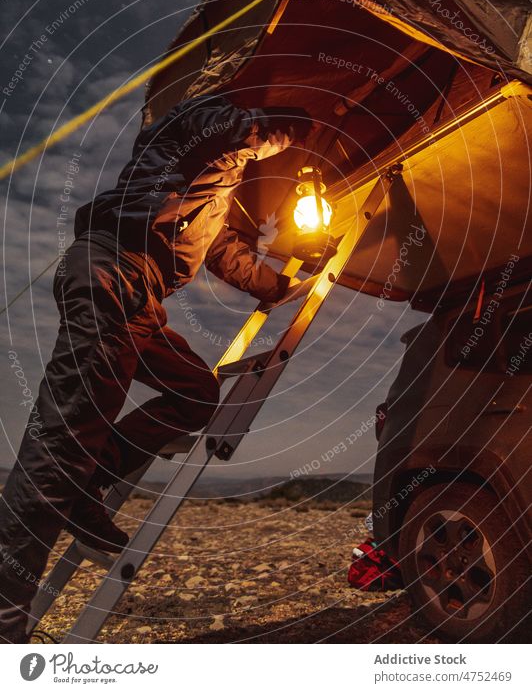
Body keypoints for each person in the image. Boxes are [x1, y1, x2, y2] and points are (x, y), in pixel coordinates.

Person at [0, 93, 315, 642]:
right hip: (112, 269)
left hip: (141, 297)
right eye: (273, 136)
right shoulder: (204, 128)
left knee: (195, 392)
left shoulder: (216, 193)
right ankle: (6, 615)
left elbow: (226, 255)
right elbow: (223, 127)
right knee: (67, 432)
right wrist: (283, 129)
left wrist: (285, 285)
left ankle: (90, 480)